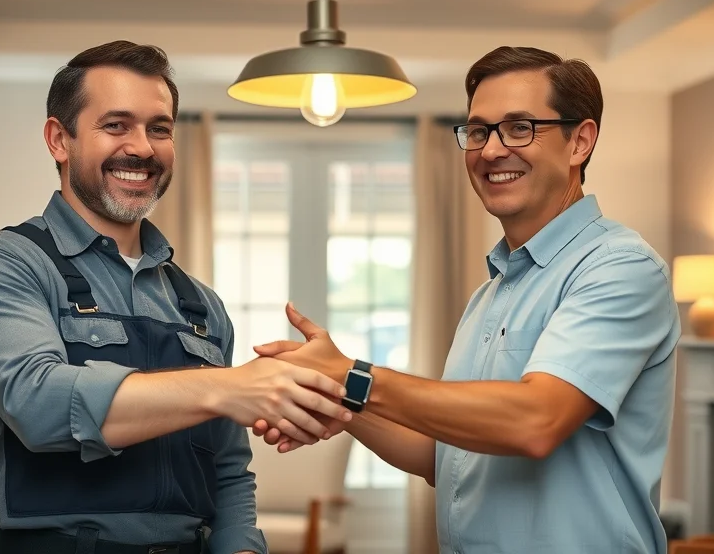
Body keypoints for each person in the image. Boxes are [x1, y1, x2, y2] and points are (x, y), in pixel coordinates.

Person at [252, 46, 682, 554]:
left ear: (579, 142)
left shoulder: (620, 267)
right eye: (478, 131)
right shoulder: (491, 293)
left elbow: (535, 420)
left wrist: (352, 376)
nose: (492, 150)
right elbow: (443, 456)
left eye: (520, 127)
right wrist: (333, 395)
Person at [0, 40, 353, 554]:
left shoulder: (202, 307)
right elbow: (40, 405)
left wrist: (243, 547)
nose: (141, 147)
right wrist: (228, 387)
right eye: (116, 125)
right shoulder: (6, 267)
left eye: (159, 129)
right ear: (59, 139)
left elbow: (227, 470)